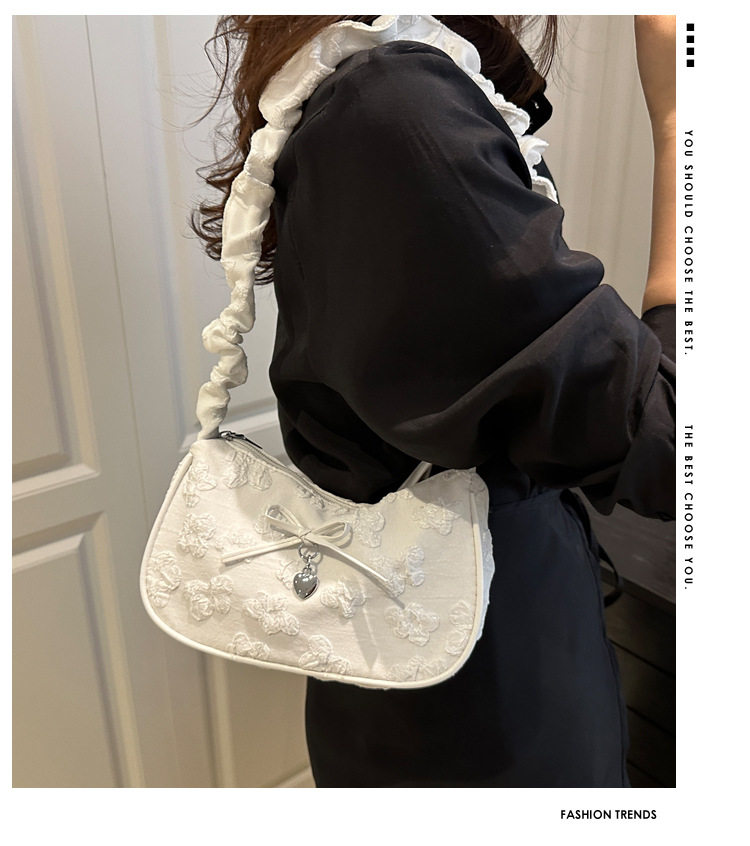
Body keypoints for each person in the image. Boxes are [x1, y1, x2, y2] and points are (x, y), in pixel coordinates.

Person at [192, 14, 676, 787]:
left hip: (432, 658)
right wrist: (679, 126)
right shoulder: (397, 103)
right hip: (481, 696)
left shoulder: (369, 86)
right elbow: (667, 440)